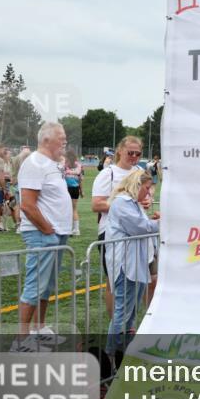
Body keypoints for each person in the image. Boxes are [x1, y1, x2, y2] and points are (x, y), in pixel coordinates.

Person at [13, 122, 72, 352]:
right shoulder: (34, 163)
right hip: (43, 234)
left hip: (55, 234)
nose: (65, 142)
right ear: (47, 139)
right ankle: (21, 339)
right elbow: (27, 204)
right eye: (62, 137)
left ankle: (39, 329)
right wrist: (47, 229)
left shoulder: (51, 164)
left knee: (46, 286)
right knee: (34, 285)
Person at [104, 170, 159, 358]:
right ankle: (112, 355)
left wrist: (155, 222)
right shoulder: (122, 202)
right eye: (146, 188)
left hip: (135, 264)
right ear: (137, 185)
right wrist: (161, 223)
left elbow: (143, 226)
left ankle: (121, 351)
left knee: (129, 312)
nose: (148, 193)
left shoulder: (132, 203)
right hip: (126, 265)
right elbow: (139, 228)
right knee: (122, 312)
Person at [92, 137, 146, 315]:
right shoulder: (109, 173)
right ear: (120, 151)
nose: (134, 157)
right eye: (130, 152)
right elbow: (97, 204)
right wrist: (125, 207)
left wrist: (145, 202)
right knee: (114, 281)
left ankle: (132, 323)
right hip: (111, 234)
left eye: (138, 153)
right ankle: (116, 325)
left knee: (140, 278)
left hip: (136, 232)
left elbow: (146, 197)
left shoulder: (140, 171)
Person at [63, 150, 84, 236]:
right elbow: (80, 179)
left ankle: (68, 228)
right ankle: (76, 229)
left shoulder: (64, 165)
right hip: (75, 189)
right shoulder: (78, 166)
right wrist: (81, 191)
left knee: (66, 209)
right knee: (74, 209)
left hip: (66, 188)